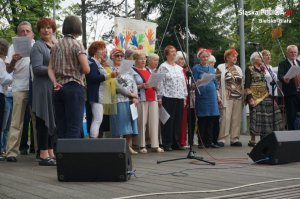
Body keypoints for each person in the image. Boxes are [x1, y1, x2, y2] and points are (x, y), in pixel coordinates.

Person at [48, 15, 90, 139]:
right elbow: (87, 69)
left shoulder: (56, 45)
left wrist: (55, 83)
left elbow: (49, 68)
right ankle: (71, 157)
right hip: (74, 88)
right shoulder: (77, 45)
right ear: (78, 27)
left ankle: (61, 156)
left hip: (58, 88)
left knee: (62, 126)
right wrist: (79, 70)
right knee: (74, 126)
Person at [5, 21, 35, 162]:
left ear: (32, 33)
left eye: (27, 31)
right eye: (22, 31)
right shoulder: (12, 47)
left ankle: (41, 151)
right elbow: (8, 70)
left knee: (37, 121)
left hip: (35, 87)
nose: (24, 33)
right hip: (19, 87)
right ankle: (11, 152)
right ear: (18, 33)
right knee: (16, 121)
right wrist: (13, 61)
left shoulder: (37, 45)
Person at [30, 17, 57, 166]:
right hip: (42, 88)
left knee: (52, 120)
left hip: (53, 87)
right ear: (39, 30)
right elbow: (36, 68)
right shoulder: (37, 47)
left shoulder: (56, 44)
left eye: (49, 27)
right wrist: (53, 70)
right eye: (43, 27)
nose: (46, 30)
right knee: (42, 120)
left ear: (53, 29)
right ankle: (43, 153)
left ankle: (51, 150)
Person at [245, 52, 284, 145]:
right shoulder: (249, 69)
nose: (262, 58)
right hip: (254, 96)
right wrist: (249, 98)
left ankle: (265, 137)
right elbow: (247, 85)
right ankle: (252, 139)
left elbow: (265, 84)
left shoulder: (263, 69)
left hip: (265, 94)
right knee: (255, 117)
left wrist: (270, 96)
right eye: (259, 57)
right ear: (254, 59)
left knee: (268, 116)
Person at [86, 41, 121, 138]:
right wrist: (110, 75)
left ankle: (93, 140)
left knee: (97, 119)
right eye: (101, 49)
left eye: (104, 50)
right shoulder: (92, 62)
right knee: (97, 119)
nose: (104, 52)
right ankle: (92, 141)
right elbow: (92, 78)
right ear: (94, 51)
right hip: (95, 94)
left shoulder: (98, 63)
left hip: (99, 95)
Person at [132, 50, 164, 153]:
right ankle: (141, 145)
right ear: (135, 59)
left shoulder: (149, 70)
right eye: (141, 58)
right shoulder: (132, 71)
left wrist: (156, 86)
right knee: (142, 122)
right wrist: (140, 86)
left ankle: (155, 144)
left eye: (144, 58)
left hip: (152, 97)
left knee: (154, 122)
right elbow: (130, 86)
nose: (143, 60)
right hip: (141, 98)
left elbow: (157, 86)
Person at [109, 48, 139, 155]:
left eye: (121, 56)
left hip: (130, 100)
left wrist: (135, 96)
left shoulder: (127, 69)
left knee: (130, 124)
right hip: (118, 100)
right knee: (120, 124)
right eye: (117, 56)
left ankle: (129, 146)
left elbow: (134, 83)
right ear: (112, 57)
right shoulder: (110, 70)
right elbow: (117, 86)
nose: (120, 58)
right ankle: (118, 147)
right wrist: (131, 94)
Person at [157, 45, 187, 151]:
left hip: (179, 96)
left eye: (175, 51)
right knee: (168, 120)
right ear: (166, 54)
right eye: (171, 52)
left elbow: (183, 83)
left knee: (178, 120)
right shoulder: (163, 66)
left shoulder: (179, 68)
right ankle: (167, 143)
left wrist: (184, 97)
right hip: (168, 96)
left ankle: (176, 142)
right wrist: (159, 98)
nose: (174, 53)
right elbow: (160, 83)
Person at [192, 48, 220, 148]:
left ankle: (210, 141)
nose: (205, 58)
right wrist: (197, 82)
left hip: (212, 96)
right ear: (199, 57)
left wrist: (218, 96)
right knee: (203, 119)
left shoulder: (212, 68)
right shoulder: (196, 68)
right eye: (203, 56)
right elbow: (192, 84)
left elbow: (216, 83)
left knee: (212, 118)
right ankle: (201, 142)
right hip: (202, 95)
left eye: (207, 56)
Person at [216, 48, 243, 147]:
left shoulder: (238, 68)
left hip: (238, 96)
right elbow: (217, 82)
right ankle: (222, 139)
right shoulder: (221, 67)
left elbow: (241, 83)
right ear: (227, 57)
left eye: (236, 56)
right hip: (226, 95)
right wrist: (218, 96)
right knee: (225, 117)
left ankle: (234, 139)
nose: (235, 58)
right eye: (233, 56)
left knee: (236, 118)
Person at [278, 45, 300, 130]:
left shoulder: (299, 62)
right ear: (287, 53)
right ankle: (292, 136)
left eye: (295, 52)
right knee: (291, 116)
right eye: (291, 52)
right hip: (290, 94)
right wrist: (284, 79)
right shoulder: (283, 64)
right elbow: (280, 75)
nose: (293, 54)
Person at [0, 38, 13, 161]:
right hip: (1, 94)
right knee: (2, 125)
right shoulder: (0, 62)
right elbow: (4, 79)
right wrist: (12, 77)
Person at [175, 51, 189, 148]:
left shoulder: (185, 71)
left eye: (183, 59)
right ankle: (180, 141)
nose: (182, 61)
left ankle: (183, 140)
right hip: (178, 96)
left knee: (184, 120)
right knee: (179, 120)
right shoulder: (177, 70)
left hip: (185, 96)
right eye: (180, 59)